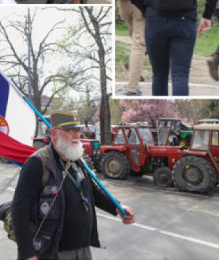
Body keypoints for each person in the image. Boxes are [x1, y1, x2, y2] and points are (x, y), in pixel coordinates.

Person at [11, 111, 135, 259]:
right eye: (70, 131)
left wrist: (117, 207)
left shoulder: (76, 158)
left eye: (78, 130)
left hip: (82, 248)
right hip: (53, 251)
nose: (76, 135)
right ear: (54, 133)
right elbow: (19, 209)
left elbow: (92, 191)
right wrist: (27, 253)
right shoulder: (37, 163)